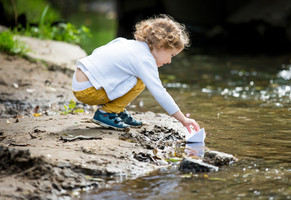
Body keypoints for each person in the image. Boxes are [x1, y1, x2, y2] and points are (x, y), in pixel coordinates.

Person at [72, 14, 200, 133]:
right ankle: (107, 113)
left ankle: (117, 110)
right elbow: (159, 92)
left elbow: (99, 53)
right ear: (161, 45)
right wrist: (183, 119)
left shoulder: (126, 43)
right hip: (88, 91)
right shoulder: (145, 60)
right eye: (171, 55)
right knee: (140, 81)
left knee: (129, 74)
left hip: (79, 82)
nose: (169, 61)